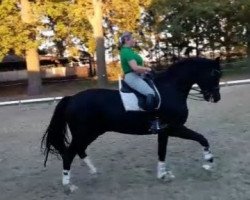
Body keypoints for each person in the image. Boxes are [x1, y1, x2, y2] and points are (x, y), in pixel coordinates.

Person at [118, 31, 162, 133]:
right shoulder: (126, 52)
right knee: (150, 93)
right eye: (132, 38)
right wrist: (148, 69)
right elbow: (135, 68)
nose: (134, 40)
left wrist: (146, 71)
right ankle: (152, 123)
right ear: (126, 40)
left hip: (138, 75)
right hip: (132, 76)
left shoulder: (130, 51)